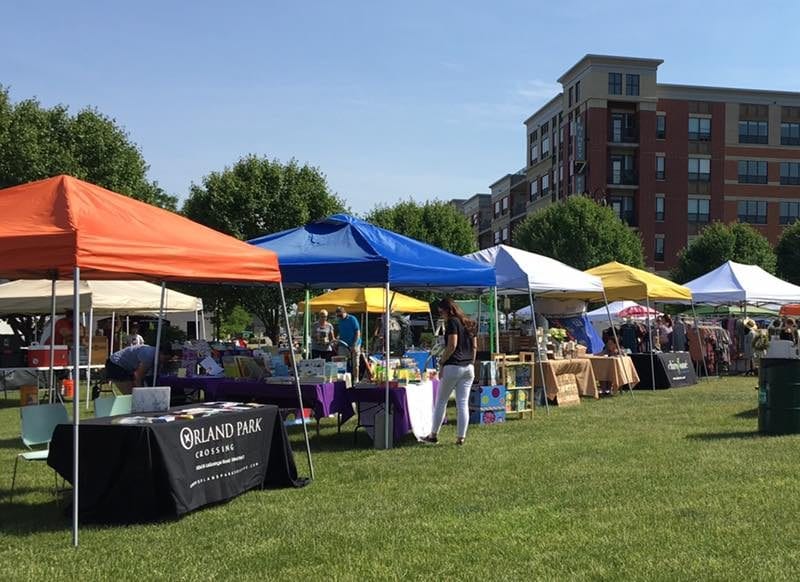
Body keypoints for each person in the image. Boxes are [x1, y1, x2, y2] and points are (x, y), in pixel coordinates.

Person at [422, 298, 477, 447]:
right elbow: (474, 347)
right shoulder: (470, 323)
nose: (441, 315)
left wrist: (441, 362)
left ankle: (433, 435)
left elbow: (452, 345)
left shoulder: (453, 322)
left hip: (453, 366)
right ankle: (461, 438)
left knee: (441, 401)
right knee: (462, 403)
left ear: (448, 310)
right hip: (468, 367)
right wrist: (471, 362)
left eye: (441, 312)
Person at [104, 344, 173, 394]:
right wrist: (142, 393)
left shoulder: (156, 358)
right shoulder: (148, 356)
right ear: (161, 353)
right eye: (165, 359)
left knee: (136, 394)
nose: (165, 361)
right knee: (131, 395)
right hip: (115, 364)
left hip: (127, 367)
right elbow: (137, 376)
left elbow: (149, 379)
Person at [335, 306, 361, 378]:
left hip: (354, 344)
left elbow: (357, 333)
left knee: (355, 364)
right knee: (341, 363)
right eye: (338, 316)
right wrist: (337, 340)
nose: (339, 317)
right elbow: (341, 332)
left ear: (344, 312)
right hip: (343, 344)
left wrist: (354, 345)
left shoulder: (352, 319)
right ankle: (342, 379)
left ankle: (356, 379)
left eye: (340, 315)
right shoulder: (340, 321)